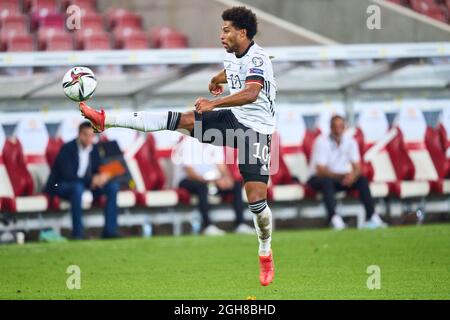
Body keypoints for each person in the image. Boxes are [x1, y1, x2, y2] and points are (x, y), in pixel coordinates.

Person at [79, 6, 276, 286]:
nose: (221, 34)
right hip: (233, 120)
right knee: (179, 119)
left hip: (256, 132)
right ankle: (105, 119)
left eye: (226, 30)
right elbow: (233, 71)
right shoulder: (233, 55)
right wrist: (217, 79)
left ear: (242, 33)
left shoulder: (259, 58)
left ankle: (265, 251)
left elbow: (251, 92)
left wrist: (213, 102)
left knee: (257, 202)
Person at [307, 115, 387, 230]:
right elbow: (320, 170)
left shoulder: (350, 141)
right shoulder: (321, 141)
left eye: (341, 126)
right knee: (327, 182)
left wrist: (352, 177)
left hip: (340, 178)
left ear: (345, 128)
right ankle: (334, 218)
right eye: (335, 127)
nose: (338, 130)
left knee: (362, 181)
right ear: (330, 128)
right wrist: (342, 176)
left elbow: (358, 167)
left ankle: (372, 216)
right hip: (318, 178)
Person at [45, 122, 120, 239]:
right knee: (77, 188)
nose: (89, 138)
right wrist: (91, 180)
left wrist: (102, 177)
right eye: (86, 135)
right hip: (59, 184)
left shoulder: (94, 149)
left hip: (84, 185)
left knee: (112, 187)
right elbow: (67, 175)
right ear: (79, 134)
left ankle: (110, 231)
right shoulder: (67, 149)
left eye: (92, 135)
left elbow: (98, 168)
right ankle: (78, 233)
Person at [173, 136, 255, 236]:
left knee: (235, 185)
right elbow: (189, 171)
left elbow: (220, 165)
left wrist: (226, 178)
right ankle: (208, 226)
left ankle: (240, 224)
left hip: (210, 180)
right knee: (201, 187)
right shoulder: (188, 142)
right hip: (187, 180)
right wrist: (211, 181)